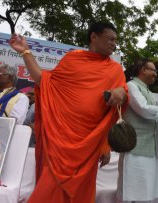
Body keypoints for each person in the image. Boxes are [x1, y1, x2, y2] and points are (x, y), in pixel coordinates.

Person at [9, 21, 128, 203]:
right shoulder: (73, 59)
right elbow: (45, 81)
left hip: (91, 141)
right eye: (110, 39)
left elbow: (119, 104)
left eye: (115, 41)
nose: (114, 44)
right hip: (61, 136)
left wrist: (122, 92)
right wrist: (25, 51)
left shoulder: (115, 69)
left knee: (81, 188)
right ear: (94, 37)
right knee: (51, 184)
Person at [116, 59, 158, 203]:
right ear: (143, 70)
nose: (155, 74)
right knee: (132, 193)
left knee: (148, 193)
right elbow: (143, 109)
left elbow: (157, 118)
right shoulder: (131, 86)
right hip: (134, 149)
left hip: (151, 150)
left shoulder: (150, 93)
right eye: (153, 70)